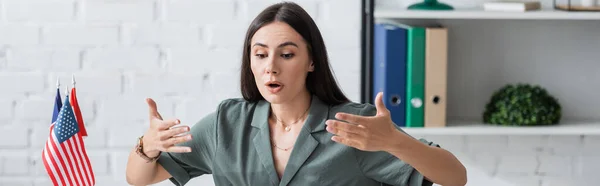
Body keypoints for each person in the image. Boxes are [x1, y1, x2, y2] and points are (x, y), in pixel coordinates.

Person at [126, 2, 467, 186]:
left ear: (311, 61)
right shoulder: (226, 124)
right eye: (260, 54)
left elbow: (455, 177)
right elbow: (140, 179)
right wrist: (147, 147)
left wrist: (395, 141)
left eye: (286, 55)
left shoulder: (352, 125)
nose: (270, 67)